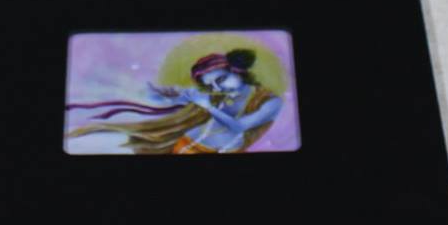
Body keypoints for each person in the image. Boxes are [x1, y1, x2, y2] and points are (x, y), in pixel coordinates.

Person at [65, 49, 284, 154]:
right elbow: (176, 99)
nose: (218, 88)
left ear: (238, 71)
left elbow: (240, 127)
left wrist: (207, 106)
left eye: (220, 80)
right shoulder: (219, 96)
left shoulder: (271, 101)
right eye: (212, 85)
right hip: (182, 145)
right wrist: (162, 95)